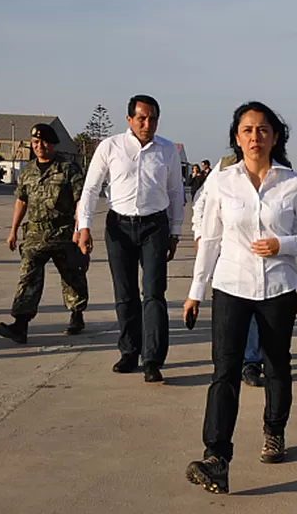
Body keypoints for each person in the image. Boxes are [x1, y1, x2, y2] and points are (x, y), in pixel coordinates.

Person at [183, 101, 297, 494]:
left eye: (262, 130)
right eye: (247, 130)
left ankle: (274, 430)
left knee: (276, 364)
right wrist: (196, 291)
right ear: (236, 136)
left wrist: (283, 244)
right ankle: (217, 456)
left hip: (278, 288)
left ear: (275, 136)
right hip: (231, 286)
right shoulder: (221, 181)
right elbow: (210, 238)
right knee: (224, 372)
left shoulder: (293, 184)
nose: (254, 138)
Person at [76, 94, 185, 383]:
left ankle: (152, 358)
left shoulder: (167, 151)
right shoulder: (110, 147)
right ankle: (129, 351)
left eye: (152, 119)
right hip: (119, 227)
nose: (147, 124)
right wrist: (83, 226)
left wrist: (175, 232)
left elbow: (176, 192)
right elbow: (90, 189)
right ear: (129, 119)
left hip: (154, 226)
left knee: (153, 292)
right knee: (125, 294)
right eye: (141, 118)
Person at [0, 124, 89, 344]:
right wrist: (13, 231)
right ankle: (20, 325)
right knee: (28, 278)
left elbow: (80, 201)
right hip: (35, 235)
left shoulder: (68, 169)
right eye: (35, 142)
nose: (39, 146)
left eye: (44, 142)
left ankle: (77, 314)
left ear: (53, 144)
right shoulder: (28, 171)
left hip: (64, 233)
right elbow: (21, 201)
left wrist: (79, 229)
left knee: (72, 276)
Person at [191, 154, 270, 388]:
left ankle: (251, 362)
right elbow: (201, 202)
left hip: (260, 257)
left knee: (256, 312)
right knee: (228, 314)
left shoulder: (274, 168)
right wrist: (199, 233)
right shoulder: (224, 168)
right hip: (228, 255)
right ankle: (226, 362)